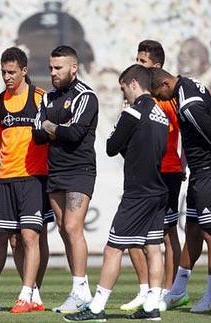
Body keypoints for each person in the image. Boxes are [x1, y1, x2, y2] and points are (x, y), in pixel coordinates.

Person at [65, 64, 169, 322]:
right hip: (159, 188)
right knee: (154, 246)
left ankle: (97, 308)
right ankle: (153, 306)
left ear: (134, 83)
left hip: (137, 192)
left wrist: (122, 119)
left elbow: (112, 147)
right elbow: (143, 150)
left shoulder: (132, 113)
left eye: (123, 89)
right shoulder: (160, 114)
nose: (124, 96)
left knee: (113, 248)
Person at [0, 47, 50, 314]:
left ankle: (27, 294)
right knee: (3, 238)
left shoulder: (41, 99)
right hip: (6, 179)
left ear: (24, 71)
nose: (7, 77)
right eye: (3, 72)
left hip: (34, 178)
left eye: (12, 72)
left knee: (29, 236)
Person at [32, 45, 99, 313]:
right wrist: (55, 128)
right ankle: (79, 290)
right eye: (50, 68)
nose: (53, 73)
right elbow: (36, 134)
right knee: (63, 230)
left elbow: (75, 134)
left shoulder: (86, 96)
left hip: (79, 170)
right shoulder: (47, 98)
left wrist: (50, 127)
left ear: (74, 68)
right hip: (55, 170)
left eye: (58, 68)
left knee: (72, 228)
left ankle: (81, 290)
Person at [119, 40, 184, 312]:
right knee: (134, 235)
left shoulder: (166, 100)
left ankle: (167, 292)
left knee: (166, 234)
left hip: (166, 173)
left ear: (156, 66)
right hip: (143, 174)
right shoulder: (138, 99)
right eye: (137, 60)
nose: (138, 65)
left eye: (143, 62)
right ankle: (145, 289)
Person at [150, 67, 211, 313]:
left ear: (165, 83)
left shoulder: (187, 105)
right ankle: (177, 291)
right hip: (199, 174)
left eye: (159, 94)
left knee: (209, 234)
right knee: (194, 230)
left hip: (207, 173)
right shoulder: (189, 83)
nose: (162, 99)